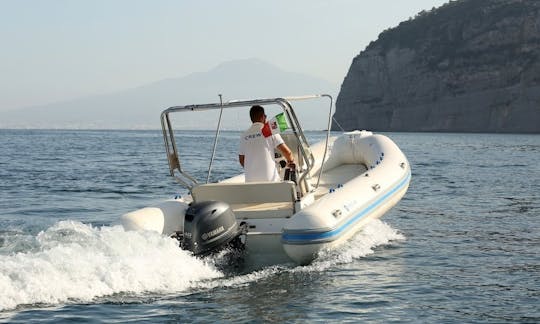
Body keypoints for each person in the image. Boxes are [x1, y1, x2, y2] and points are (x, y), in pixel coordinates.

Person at [238, 105, 295, 182]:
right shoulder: (269, 130)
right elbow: (287, 152)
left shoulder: (244, 136)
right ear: (262, 116)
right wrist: (290, 161)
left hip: (250, 182)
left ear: (251, 118)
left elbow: (242, 160)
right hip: (270, 182)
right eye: (265, 116)